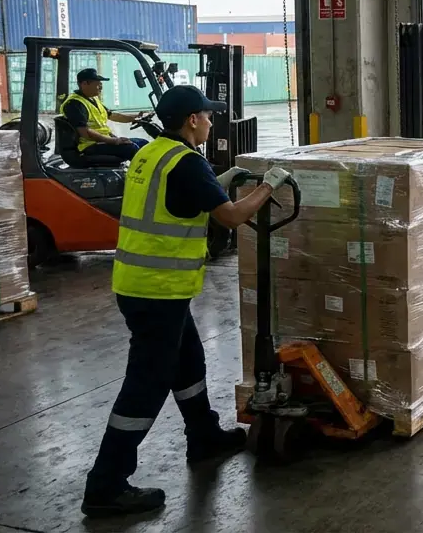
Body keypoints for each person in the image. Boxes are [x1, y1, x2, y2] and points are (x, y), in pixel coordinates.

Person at [81, 85, 292, 518]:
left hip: (145, 285)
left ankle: (204, 436)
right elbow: (231, 216)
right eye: (208, 115)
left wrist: (226, 180)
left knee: (189, 361)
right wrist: (268, 186)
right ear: (192, 120)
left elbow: (187, 197)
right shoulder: (187, 162)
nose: (212, 121)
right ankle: (106, 484)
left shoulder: (151, 152)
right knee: (147, 384)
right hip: (157, 290)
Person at [62, 68, 149, 161]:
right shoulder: (75, 103)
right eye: (98, 84)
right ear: (85, 84)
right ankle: (139, 174)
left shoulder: (92, 99)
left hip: (102, 141)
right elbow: (85, 132)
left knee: (144, 143)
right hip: (89, 145)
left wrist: (135, 118)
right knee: (131, 148)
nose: (101, 87)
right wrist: (114, 141)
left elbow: (111, 115)